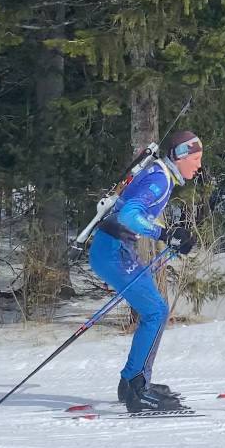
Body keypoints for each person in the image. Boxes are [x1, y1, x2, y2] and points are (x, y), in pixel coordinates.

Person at [88, 130, 203, 412]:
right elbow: (129, 215)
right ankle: (137, 389)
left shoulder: (160, 174)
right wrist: (164, 234)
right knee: (156, 311)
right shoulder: (160, 179)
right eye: (196, 159)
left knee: (155, 310)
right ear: (179, 156)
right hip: (113, 251)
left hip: (114, 249)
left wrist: (174, 237)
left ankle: (132, 382)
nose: (199, 165)